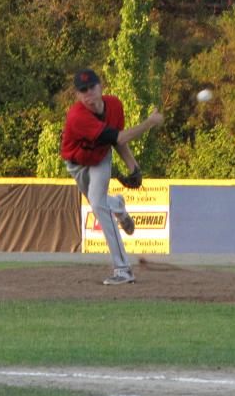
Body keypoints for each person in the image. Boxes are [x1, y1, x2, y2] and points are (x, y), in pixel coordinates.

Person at [61, 68, 164, 285]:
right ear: (77, 95)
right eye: (83, 90)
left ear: (101, 86)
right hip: (77, 165)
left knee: (97, 204)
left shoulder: (115, 105)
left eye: (92, 87)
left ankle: (123, 269)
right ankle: (117, 205)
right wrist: (149, 123)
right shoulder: (77, 116)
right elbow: (119, 135)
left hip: (100, 160)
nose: (88, 93)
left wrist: (132, 166)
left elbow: (118, 142)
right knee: (99, 201)